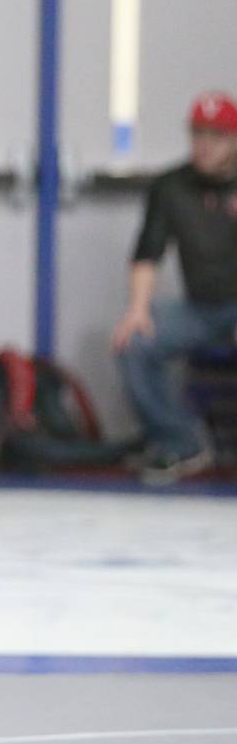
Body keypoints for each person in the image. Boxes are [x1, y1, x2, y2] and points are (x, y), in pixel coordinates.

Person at [112, 89, 237, 482]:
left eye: (216, 137)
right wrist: (137, 310)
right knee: (134, 343)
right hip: (200, 307)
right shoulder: (171, 187)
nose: (205, 146)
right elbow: (148, 253)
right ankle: (182, 442)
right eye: (198, 135)